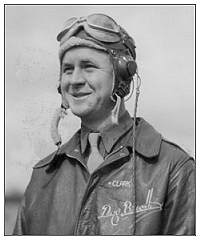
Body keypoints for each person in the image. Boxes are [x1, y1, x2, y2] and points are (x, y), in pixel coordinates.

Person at [13, 13, 195, 235]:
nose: (75, 80)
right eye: (68, 69)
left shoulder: (173, 167)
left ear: (122, 75)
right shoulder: (43, 174)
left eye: (88, 67)